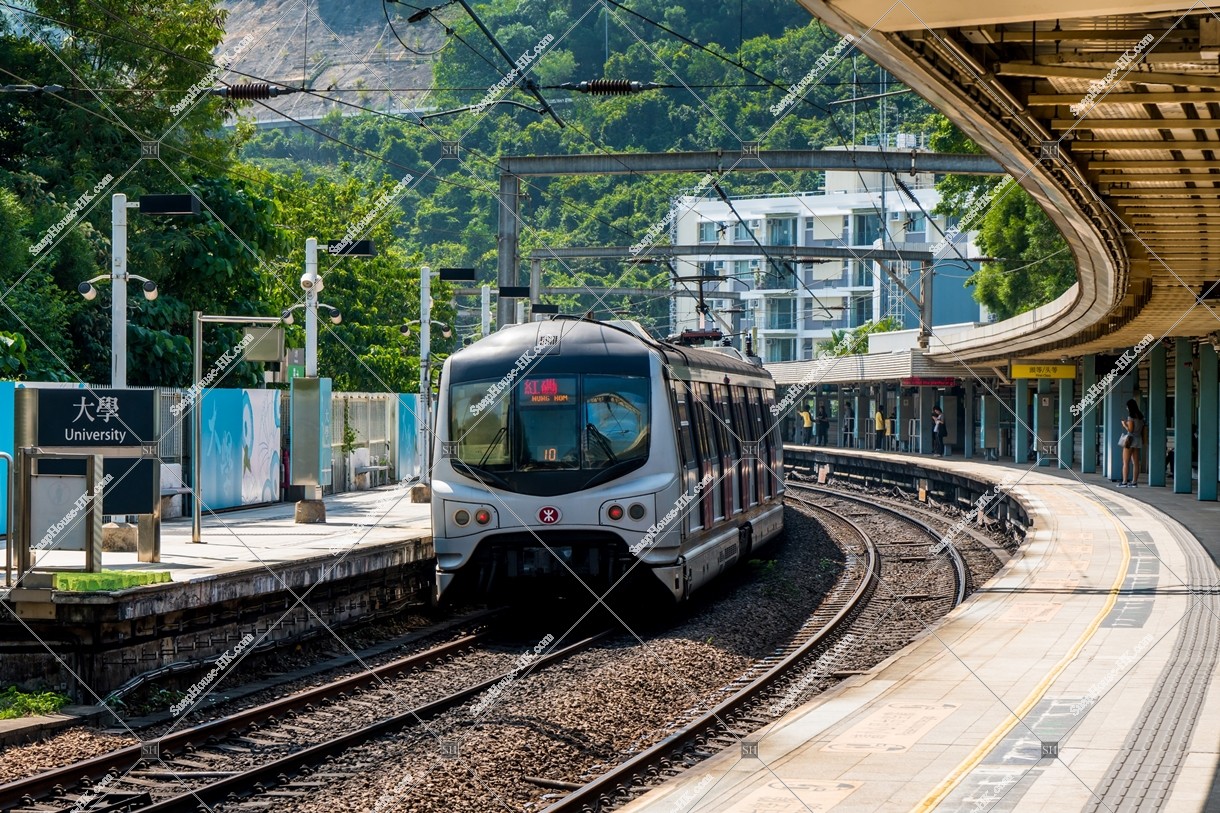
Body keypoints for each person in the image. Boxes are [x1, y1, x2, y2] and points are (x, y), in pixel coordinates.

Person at [1119, 399, 1145, 487]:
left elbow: (1130, 430)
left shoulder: (1131, 417)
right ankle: (1134, 482)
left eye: (1127, 406)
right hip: (1138, 440)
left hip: (1130, 440)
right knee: (1136, 462)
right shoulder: (1141, 416)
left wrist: (1124, 425)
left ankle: (1124, 482)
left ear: (1129, 407)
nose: (1126, 408)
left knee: (1126, 462)